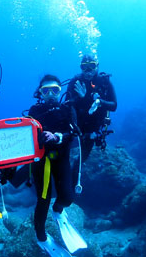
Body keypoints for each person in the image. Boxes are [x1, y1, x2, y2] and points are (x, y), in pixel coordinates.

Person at [28, 75, 85, 256]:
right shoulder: (34, 110)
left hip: (61, 158)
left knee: (67, 198)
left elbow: (74, 132)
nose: (51, 94)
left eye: (55, 90)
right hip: (42, 161)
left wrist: (57, 136)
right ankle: (41, 236)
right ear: (40, 93)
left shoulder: (67, 108)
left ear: (60, 91)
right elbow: (27, 136)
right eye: (46, 90)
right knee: (43, 200)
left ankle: (58, 211)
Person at [65, 54, 117, 162]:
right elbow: (67, 106)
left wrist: (100, 102)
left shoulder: (104, 82)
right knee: (61, 154)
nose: (88, 70)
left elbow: (114, 105)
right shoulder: (75, 82)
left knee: (80, 161)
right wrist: (82, 99)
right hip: (76, 127)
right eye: (84, 67)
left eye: (92, 66)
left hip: (93, 128)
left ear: (97, 66)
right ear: (81, 68)